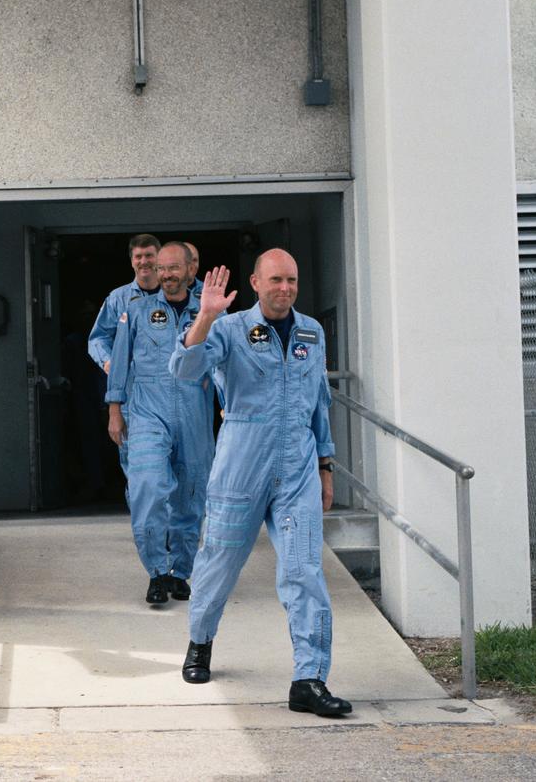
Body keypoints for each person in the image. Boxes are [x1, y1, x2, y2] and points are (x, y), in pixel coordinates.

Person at [170, 250, 352, 717]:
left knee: (303, 570)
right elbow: (184, 370)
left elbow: (318, 404)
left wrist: (325, 467)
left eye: (291, 279)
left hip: (297, 468)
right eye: (275, 280)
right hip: (241, 464)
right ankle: (200, 641)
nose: (284, 288)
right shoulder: (228, 329)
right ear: (255, 281)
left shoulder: (312, 331)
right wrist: (206, 315)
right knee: (219, 562)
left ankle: (308, 679)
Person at [106, 242, 214, 604]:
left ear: (189, 271)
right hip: (148, 412)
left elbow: (227, 366)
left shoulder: (209, 314)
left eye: (174, 268)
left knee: (190, 494)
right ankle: (156, 572)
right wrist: (115, 410)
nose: (166, 274)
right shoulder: (137, 312)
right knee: (147, 489)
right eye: (162, 268)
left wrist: (231, 410)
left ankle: (181, 572)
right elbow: (119, 362)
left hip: (195, 412)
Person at [87, 234, 160, 375]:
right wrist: (107, 361)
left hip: (169, 382)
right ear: (132, 261)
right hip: (132, 382)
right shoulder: (117, 298)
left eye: (149, 255)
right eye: (138, 257)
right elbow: (99, 336)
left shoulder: (176, 295)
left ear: (160, 259)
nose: (144, 261)